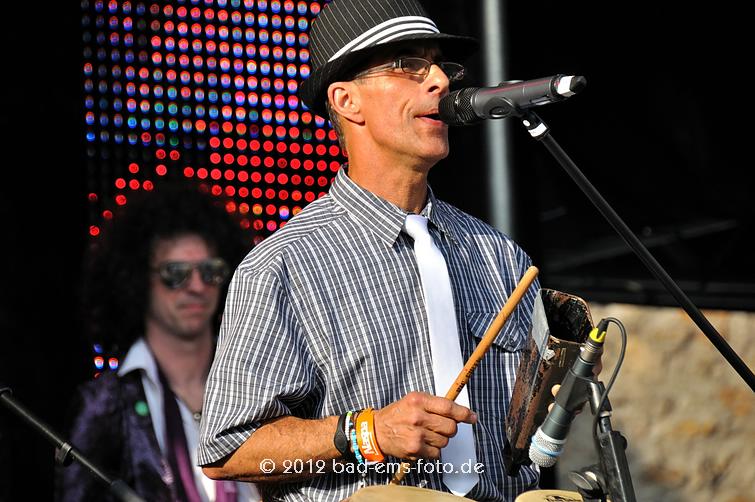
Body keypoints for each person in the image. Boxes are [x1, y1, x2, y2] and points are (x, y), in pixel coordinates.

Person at [198, 0, 542, 500]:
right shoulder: (284, 265)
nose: (440, 82)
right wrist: (367, 434)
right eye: (408, 65)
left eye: (440, 67)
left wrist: (563, 390)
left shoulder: (501, 257)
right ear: (346, 101)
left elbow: (528, 441)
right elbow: (227, 451)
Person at [55, 181, 261, 502]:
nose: (197, 287)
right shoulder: (105, 405)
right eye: (175, 273)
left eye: (210, 271)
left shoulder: (255, 389)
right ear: (138, 280)